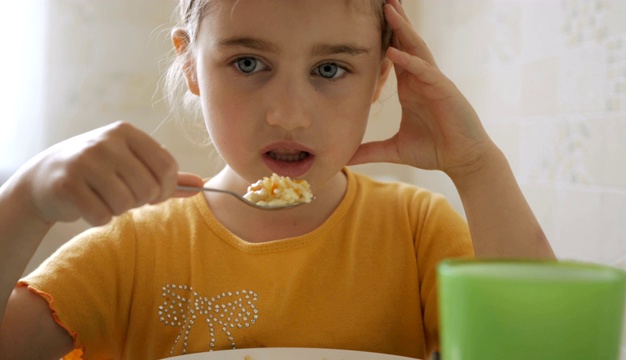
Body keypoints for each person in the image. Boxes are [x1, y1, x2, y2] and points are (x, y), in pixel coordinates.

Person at [0, 0, 555, 359]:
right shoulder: (132, 251)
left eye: (330, 69)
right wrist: (24, 198)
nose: (289, 114)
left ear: (380, 77)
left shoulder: (416, 230)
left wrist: (478, 167)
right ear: (192, 65)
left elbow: (542, 347)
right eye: (247, 63)